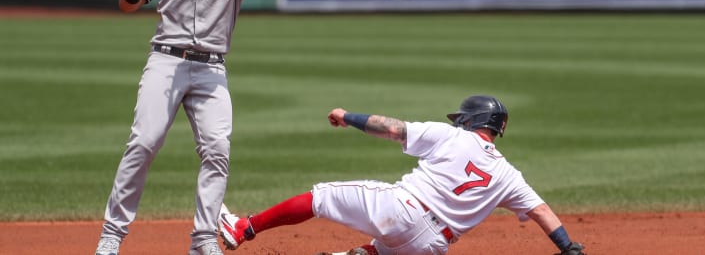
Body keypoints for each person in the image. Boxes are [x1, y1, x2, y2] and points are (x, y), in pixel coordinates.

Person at [93, 0, 273, 255]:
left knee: (218, 150)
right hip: (166, 60)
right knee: (144, 143)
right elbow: (126, 3)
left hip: (212, 68)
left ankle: (204, 239)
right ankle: (111, 237)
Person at [217, 95, 586, 255]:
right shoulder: (508, 175)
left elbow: (392, 128)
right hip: (431, 247)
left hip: (403, 209)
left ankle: (242, 229)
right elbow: (541, 212)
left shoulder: (453, 136)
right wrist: (567, 246)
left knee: (321, 196)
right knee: (380, 252)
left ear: (470, 121)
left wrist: (348, 117)